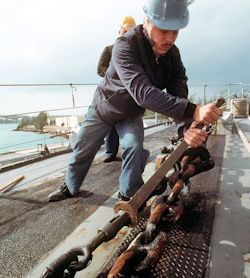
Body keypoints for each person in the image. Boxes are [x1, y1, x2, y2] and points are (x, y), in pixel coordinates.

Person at [49, 0, 222, 202]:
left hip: (130, 113)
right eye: (163, 30)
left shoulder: (172, 54)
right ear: (146, 21)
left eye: (175, 31)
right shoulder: (125, 45)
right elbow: (144, 93)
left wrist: (187, 129)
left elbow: (178, 91)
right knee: (83, 149)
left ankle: (129, 191)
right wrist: (194, 110)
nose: (169, 38)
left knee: (133, 145)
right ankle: (70, 187)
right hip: (104, 108)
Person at [97, 16, 136, 163]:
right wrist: (115, 73)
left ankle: (130, 153)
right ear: (119, 31)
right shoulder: (108, 50)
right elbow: (100, 69)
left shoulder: (136, 53)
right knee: (111, 125)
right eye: (124, 31)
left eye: (129, 32)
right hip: (112, 94)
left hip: (129, 94)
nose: (126, 34)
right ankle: (110, 152)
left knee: (130, 126)